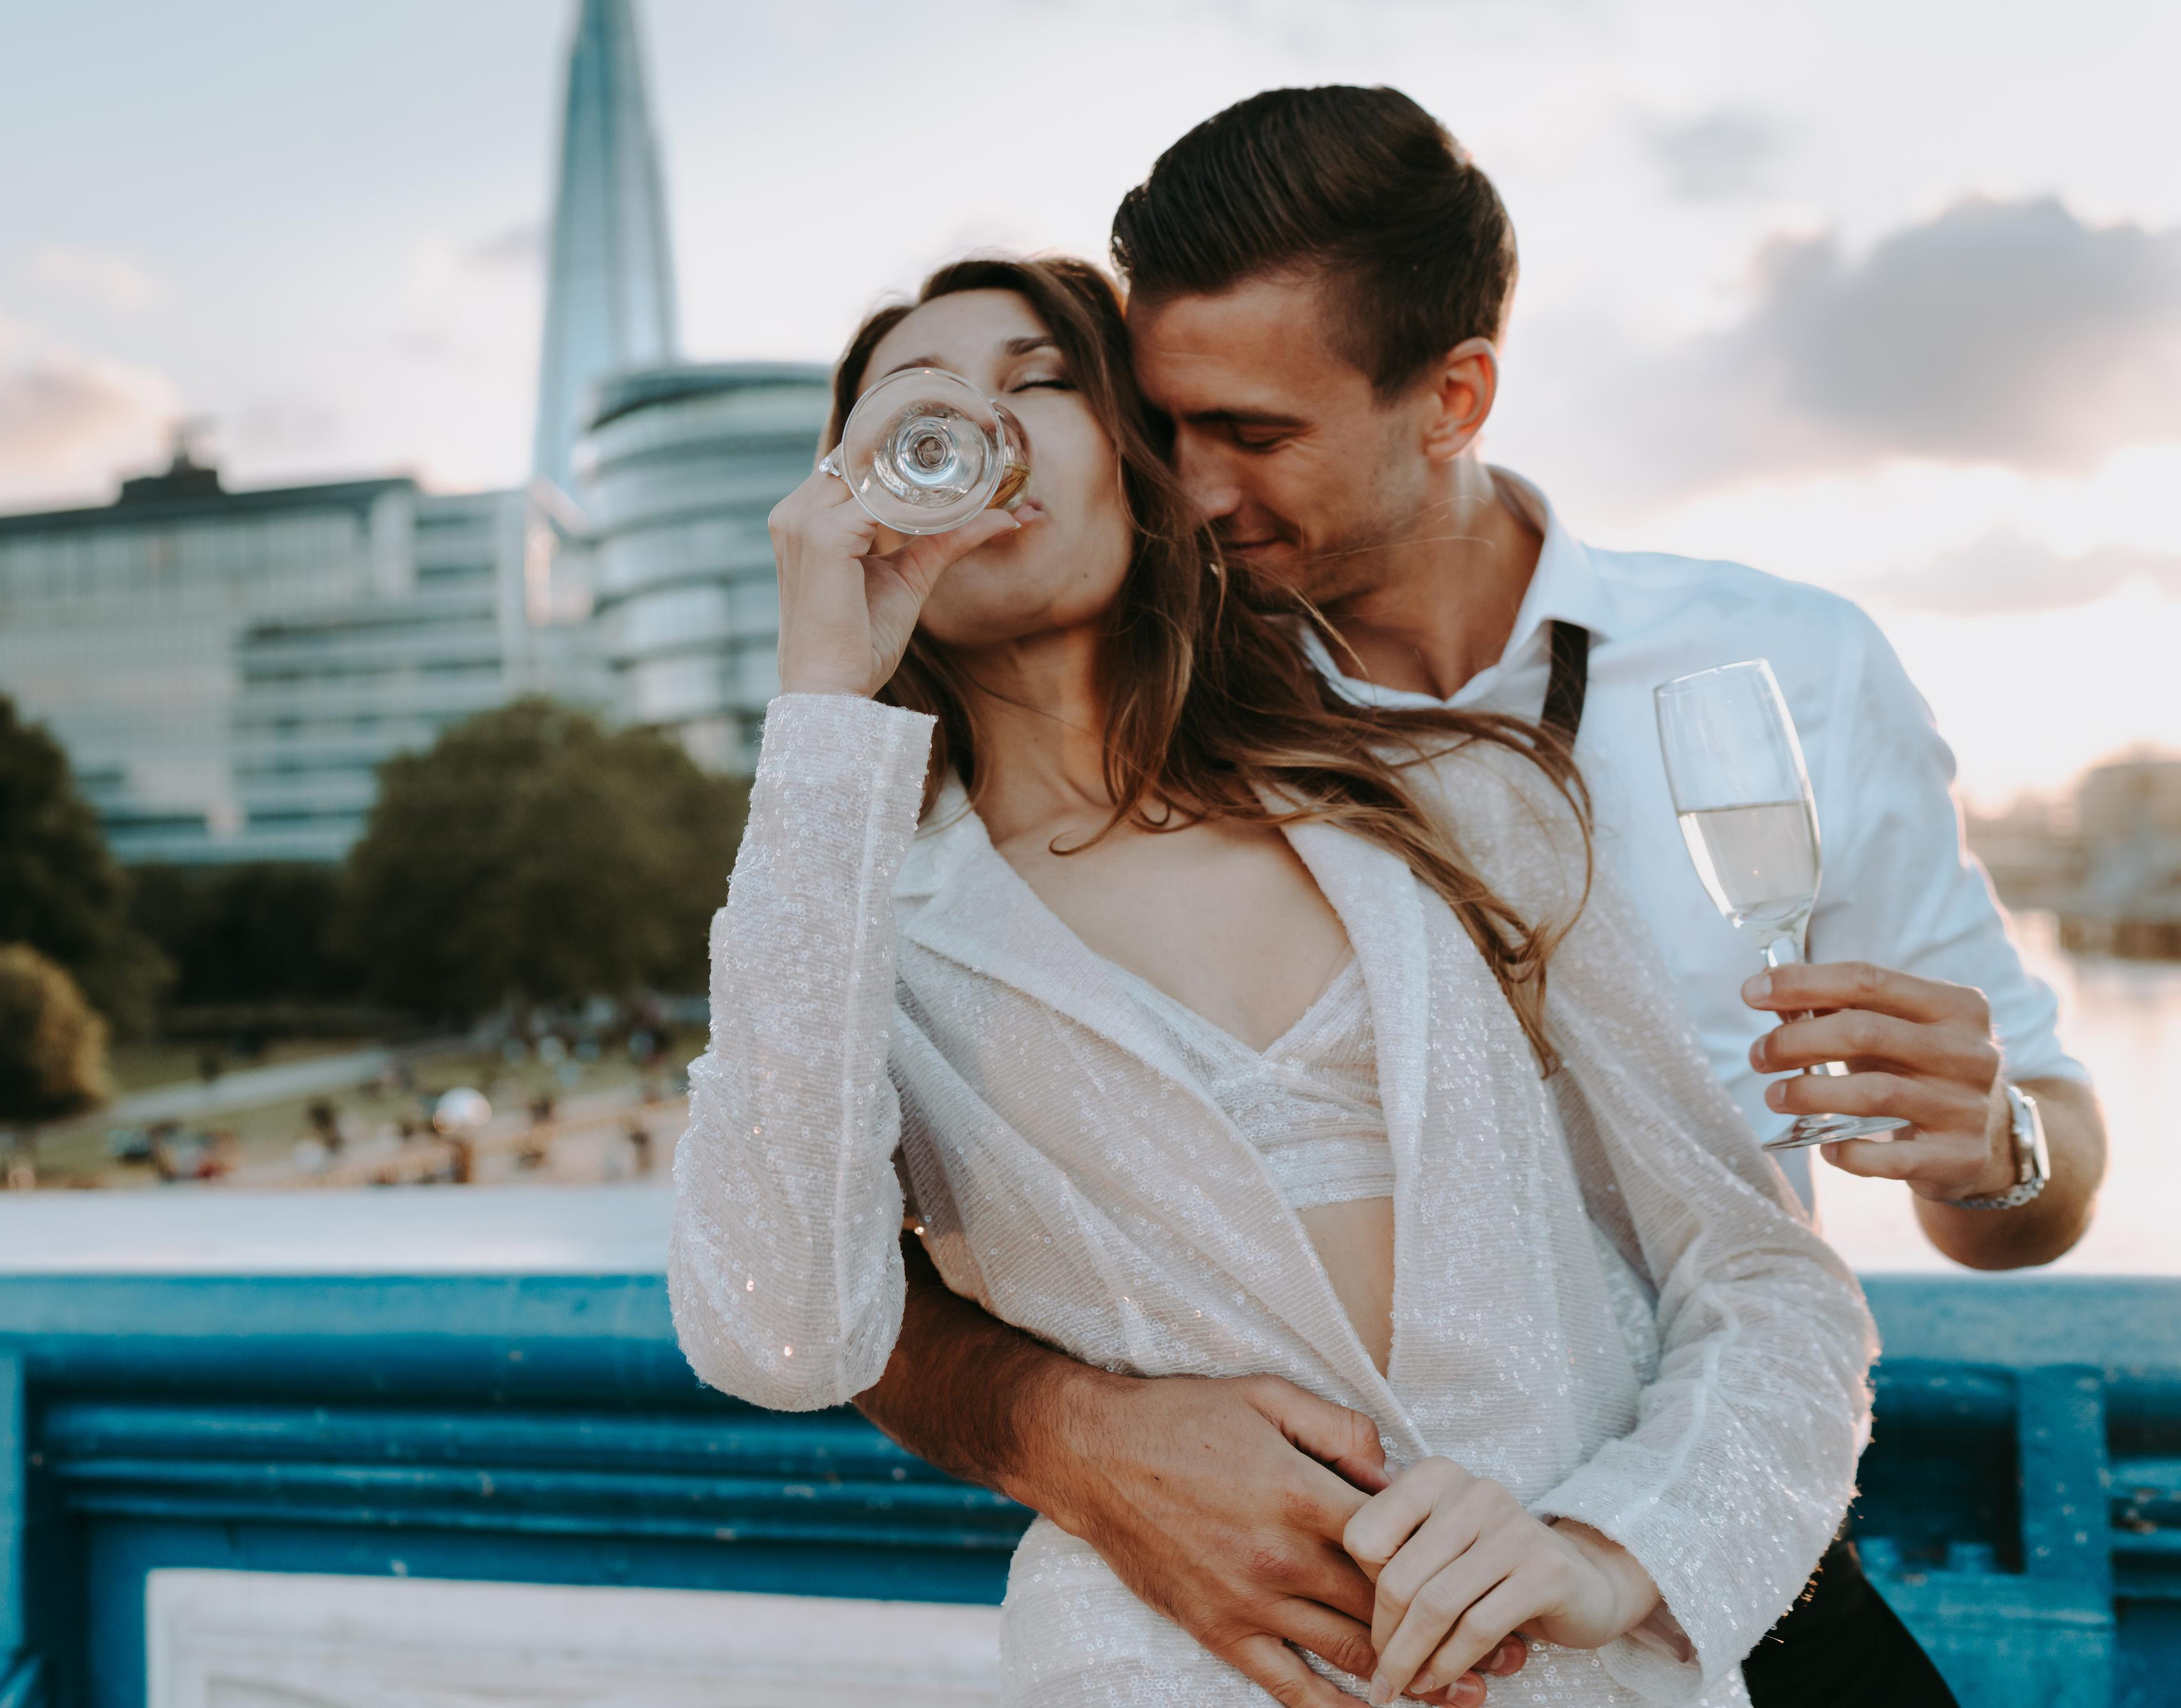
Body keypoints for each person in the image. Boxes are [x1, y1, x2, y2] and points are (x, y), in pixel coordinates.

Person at [848, 87, 2108, 1708]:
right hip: (1321, 1610)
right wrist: (1069, 1434)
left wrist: (1996, 1143)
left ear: (1454, 398)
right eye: (1167, 426)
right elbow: (836, 1271)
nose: (1194, 489)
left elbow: (2040, 1182)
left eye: (1256, 433)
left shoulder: (1791, 659)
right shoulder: (1129, 745)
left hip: (1725, 1531)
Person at [670, 255, 1875, 1705]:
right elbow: (781, 1332)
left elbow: (1759, 1272)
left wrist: (1608, 1548)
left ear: (1139, 460)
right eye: (913, 411)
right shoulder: (865, 916)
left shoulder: (1463, 807)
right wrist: (821, 714)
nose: (975, 431)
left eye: (1038, 382)